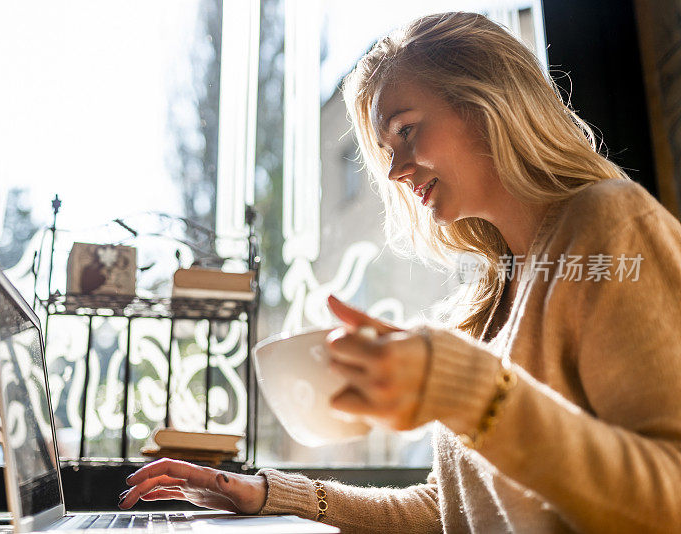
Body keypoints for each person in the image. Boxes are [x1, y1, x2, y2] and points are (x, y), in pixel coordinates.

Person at [118, 12, 681, 533]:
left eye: (406, 130)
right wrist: (269, 494)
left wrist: (472, 393)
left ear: (489, 104)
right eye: (385, 148)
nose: (393, 171)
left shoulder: (609, 228)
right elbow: (449, 509)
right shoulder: (487, 301)